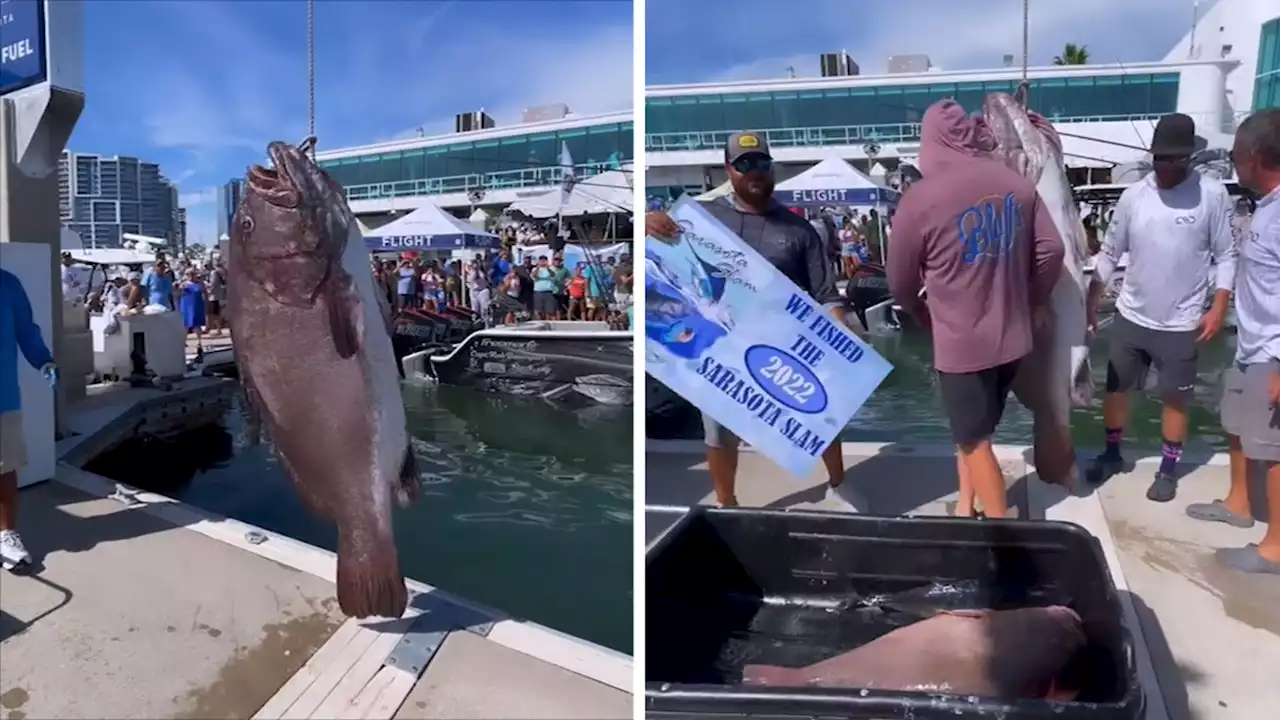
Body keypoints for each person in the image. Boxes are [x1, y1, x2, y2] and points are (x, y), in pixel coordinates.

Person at [646, 131, 857, 509]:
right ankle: (727, 503)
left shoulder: (799, 229)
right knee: (718, 430)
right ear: (729, 169)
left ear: (771, 167)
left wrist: (842, 338)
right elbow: (663, 257)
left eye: (761, 163)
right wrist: (652, 220)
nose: (754, 172)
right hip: (720, 344)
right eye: (744, 165)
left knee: (824, 413)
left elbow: (825, 293)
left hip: (785, 342)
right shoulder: (701, 218)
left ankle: (838, 485)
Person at [887, 100, 1064, 519]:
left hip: (961, 346)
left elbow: (900, 282)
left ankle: (1003, 539)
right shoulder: (1016, 185)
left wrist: (919, 312)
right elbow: (1052, 250)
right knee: (972, 429)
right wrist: (1035, 299)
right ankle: (966, 507)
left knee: (974, 440)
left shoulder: (920, 198)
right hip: (1012, 341)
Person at [1084, 113, 1238, 502]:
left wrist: (1219, 306)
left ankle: (1168, 469)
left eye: (1176, 159)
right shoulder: (1133, 196)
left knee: (1175, 398)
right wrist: (1090, 299)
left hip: (1183, 321)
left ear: (1190, 159)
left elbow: (1227, 255)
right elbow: (1109, 253)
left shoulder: (1213, 194)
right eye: (1161, 158)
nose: (1167, 166)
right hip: (1131, 315)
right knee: (1116, 391)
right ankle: (1112, 453)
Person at [1184, 109, 1280, 574]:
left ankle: (1276, 547)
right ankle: (1239, 503)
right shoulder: (1267, 204)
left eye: (1238, 156)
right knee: (1237, 424)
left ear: (1256, 155)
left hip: (1274, 351)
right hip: (1250, 343)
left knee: (1275, 448)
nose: (1236, 165)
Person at [0, 268, 58, 569]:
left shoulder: (9, 284)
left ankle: (6, 534)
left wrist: (43, 359)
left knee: (4, 469)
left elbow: (26, 330)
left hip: (2, 396)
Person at [179, 268, 208, 347]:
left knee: (196, 323)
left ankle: (199, 341)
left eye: (192, 274)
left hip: (196, 305)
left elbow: (205, 293)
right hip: (186, 306)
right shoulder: (184, 284)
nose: (191, 275)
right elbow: (178, 293)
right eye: (189, 274)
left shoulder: (200, 284)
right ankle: (183, 341)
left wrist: (206, 303)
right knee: (185, 324)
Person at [531, 255, 558, 320]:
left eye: (544, 260)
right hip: (538, 292)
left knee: (550, 311)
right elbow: (534, 276)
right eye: (541, 260)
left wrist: (547, 268)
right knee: (538, 311)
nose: (543, 261)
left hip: (548, 292)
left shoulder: (552, 268)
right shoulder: (534, 269)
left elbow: (553, 275)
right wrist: (538, 267)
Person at [206, 261, 227, 336]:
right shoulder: (220, 272)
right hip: (218, 295)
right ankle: (215, 329)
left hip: (213, 296)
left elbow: (213, 284)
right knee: (215, 313)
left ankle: (216, 329)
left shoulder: (214, 272)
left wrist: (207, 289)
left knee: (214, 313)